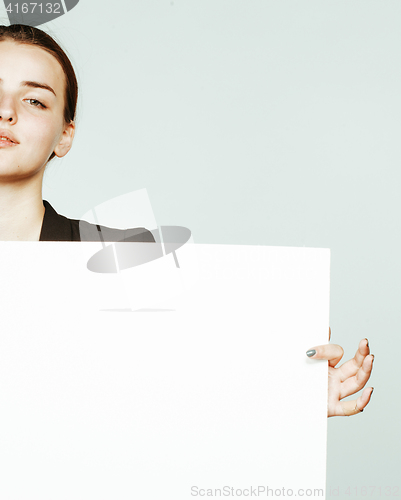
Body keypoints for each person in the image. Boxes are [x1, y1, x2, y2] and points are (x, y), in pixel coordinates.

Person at [0, 24, 374, 416]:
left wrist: (285, 397)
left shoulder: (128, 258)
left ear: (65, 135)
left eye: (35, 101)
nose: (6, 111)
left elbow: (180, 401)